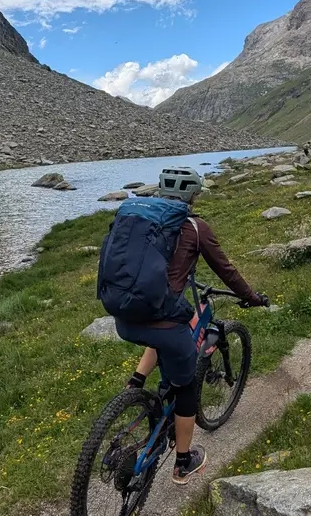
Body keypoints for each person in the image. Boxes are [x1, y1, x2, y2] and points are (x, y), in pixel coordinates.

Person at [115, 167, 268, 485]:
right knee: (184, 385)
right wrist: (252, 298)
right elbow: (226, 270)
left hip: (124, 315)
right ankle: (183, 463)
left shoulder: (139, 219)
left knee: (162, 329)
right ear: (192, 195)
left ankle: (135, 384)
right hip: (162, 318)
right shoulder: (195, 227)